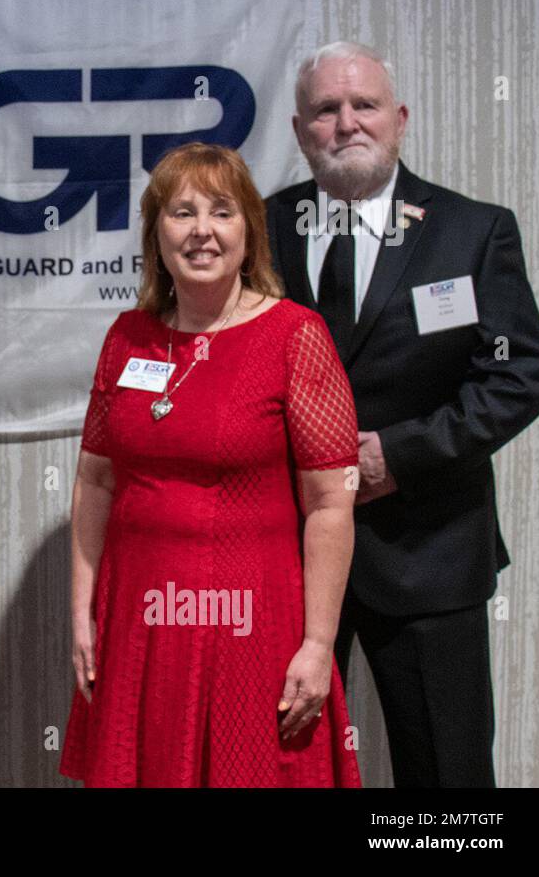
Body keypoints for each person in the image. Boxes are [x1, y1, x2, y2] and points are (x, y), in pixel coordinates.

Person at [265, 42, 539, 787]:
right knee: (277, 764)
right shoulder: (256, 233)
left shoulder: (472, 229)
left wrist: (398, 455)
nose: (346, 123)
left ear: (399, 121)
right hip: (281, 555)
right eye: (326, 109)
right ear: (301, 130)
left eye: (364, 105)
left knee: (446, 778)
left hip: (430, 551)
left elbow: (520, 373)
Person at [59, 143, 362, 787]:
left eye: (221, 212)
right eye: (181, 212)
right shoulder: (127, 337)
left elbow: (330, 503)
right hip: (139, 623)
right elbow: (95, 479)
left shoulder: (294, 335)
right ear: (156, 236)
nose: (201, 230)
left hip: (255, 625)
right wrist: (82, 615)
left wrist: (318, 643)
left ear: (249, 232)